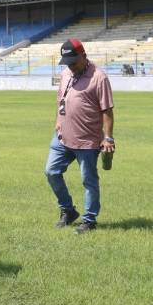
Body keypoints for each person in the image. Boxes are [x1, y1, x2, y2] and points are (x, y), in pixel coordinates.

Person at [44, 38, 114, 234]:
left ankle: (89, 220)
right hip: (62, 137)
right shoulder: (66, 73)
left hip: (87, 140)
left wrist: (108, 138)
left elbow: (107, 111)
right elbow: (61, 99)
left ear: (84, 56)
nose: (70, 67)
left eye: (73, 62)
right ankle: (68, 210)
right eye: (67, 63)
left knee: (88, 180)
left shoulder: (99, 78)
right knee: (51, 171)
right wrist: (58, 121)